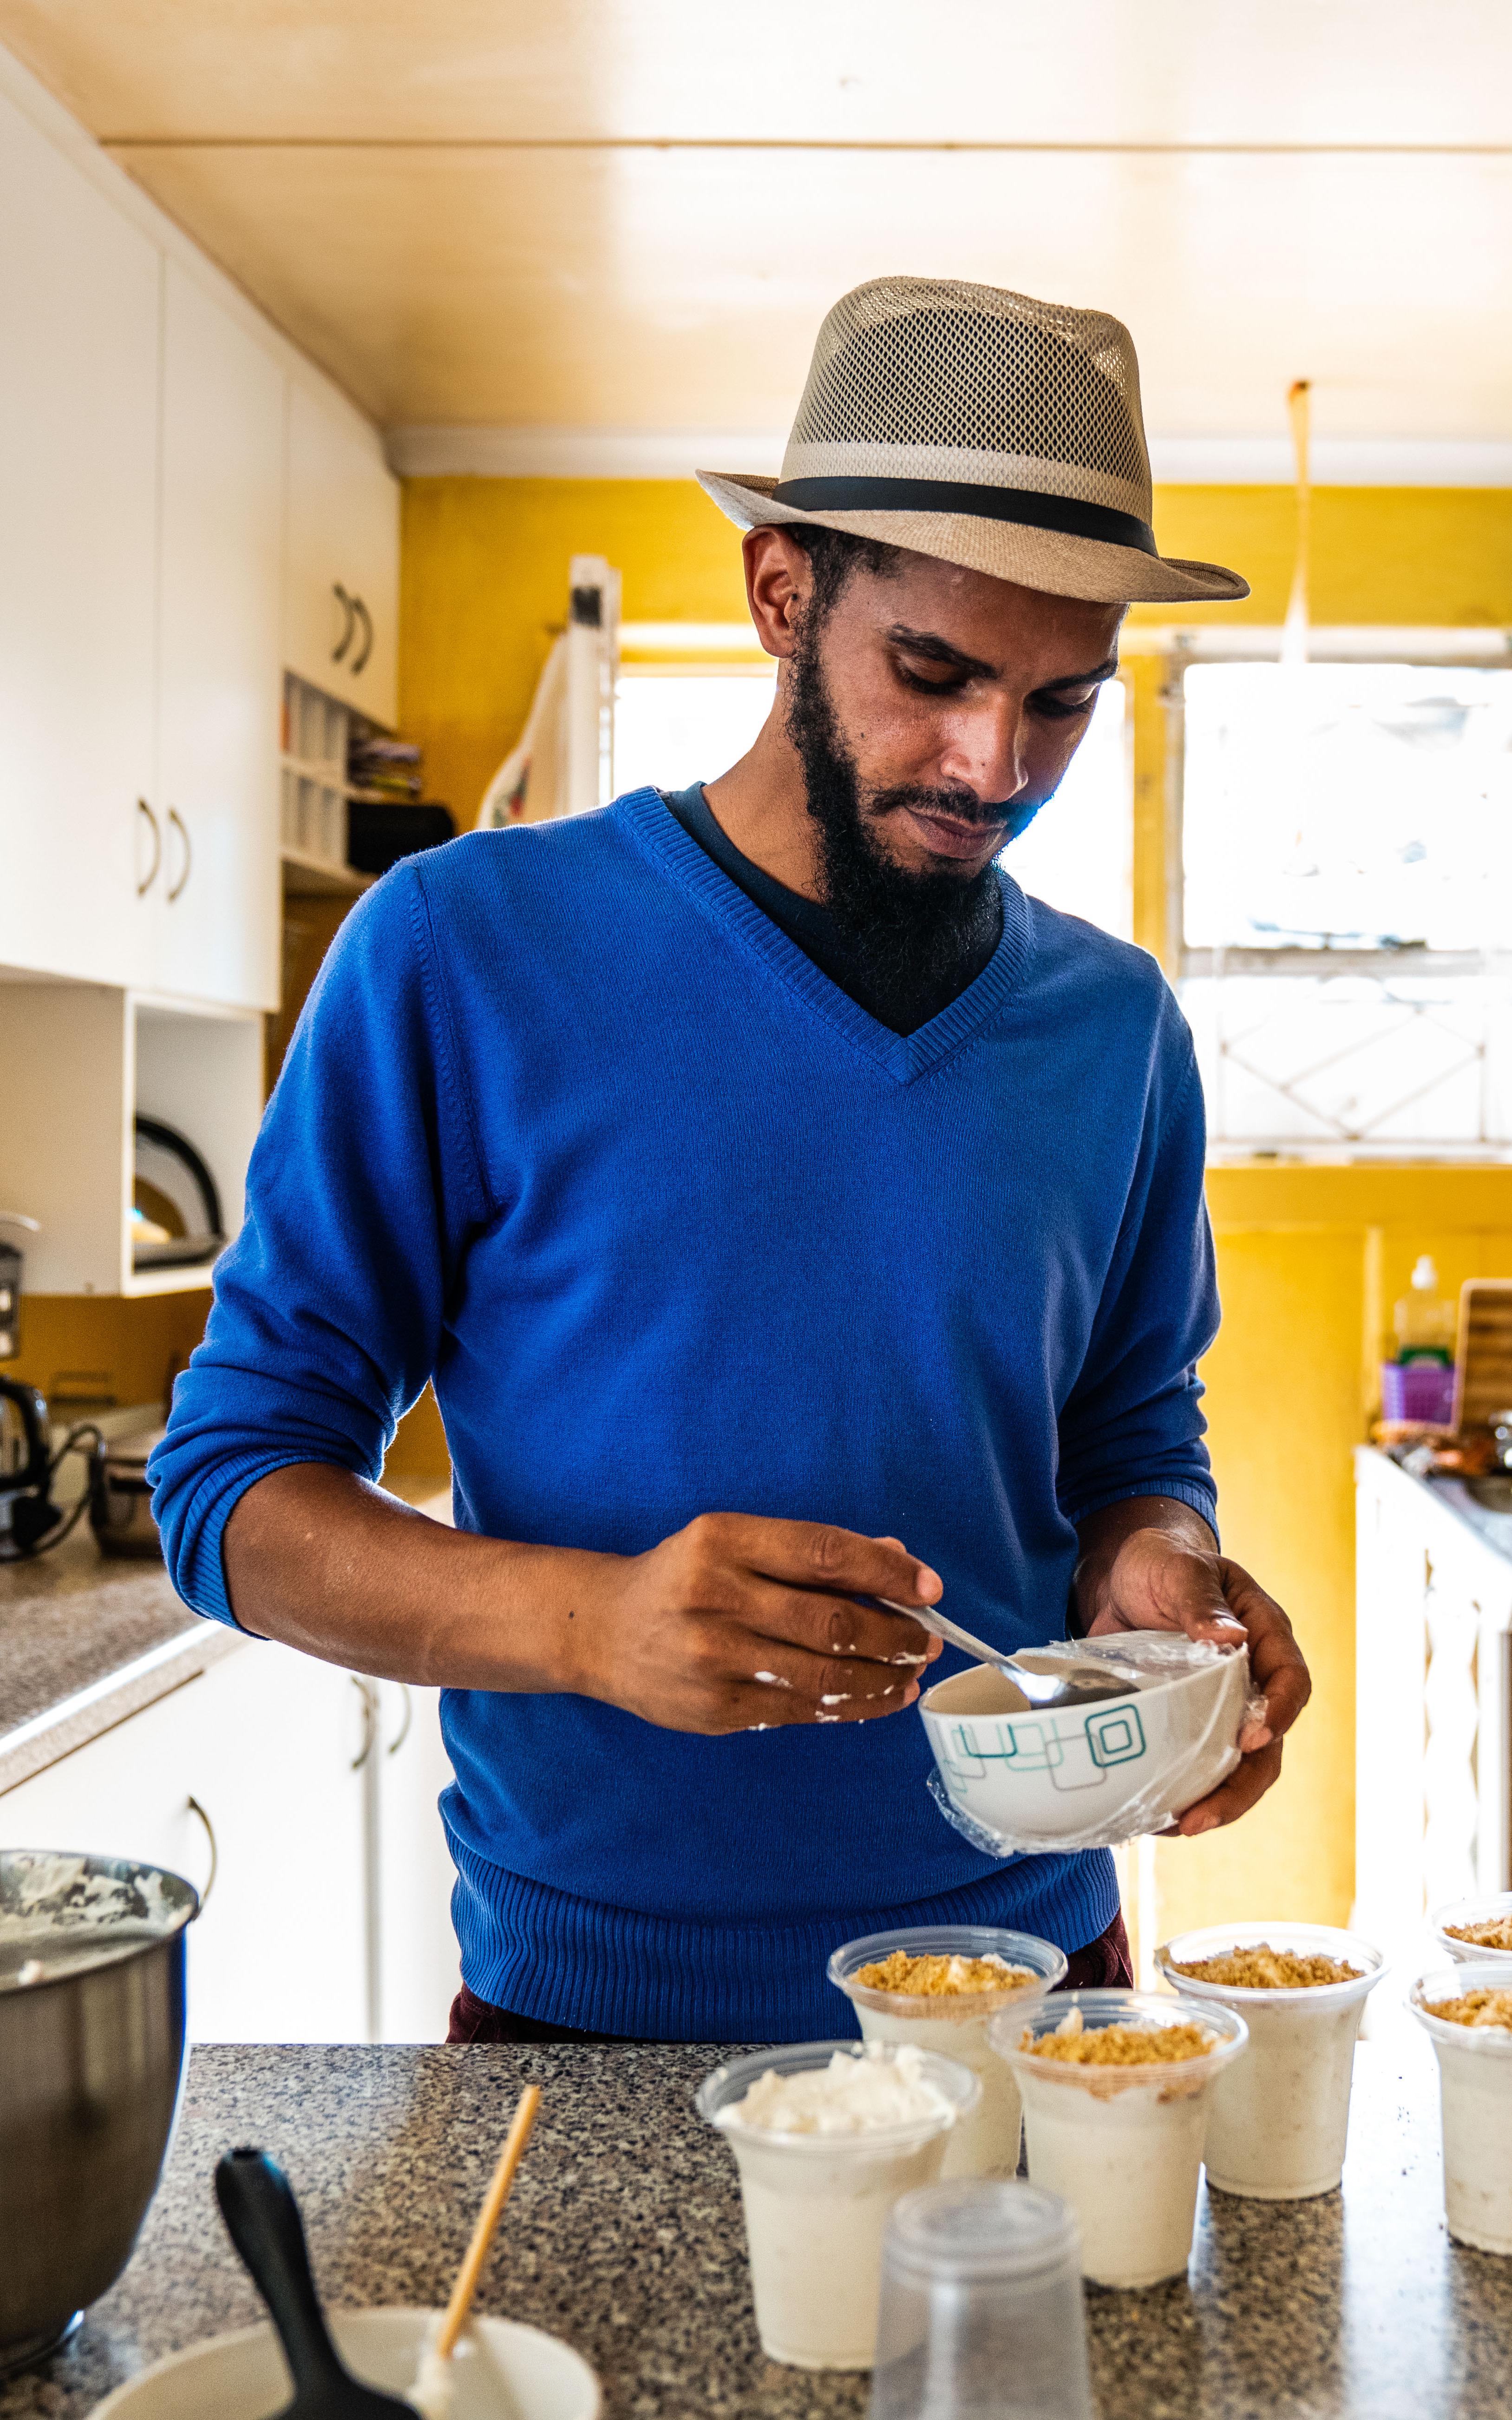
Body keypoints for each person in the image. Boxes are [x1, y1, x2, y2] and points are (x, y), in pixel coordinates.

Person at [150, 276, 1309, 2044]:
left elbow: (1131, 1437)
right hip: (595, 2016)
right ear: (782, 593)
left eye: (1065, 703)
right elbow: (231, 1491)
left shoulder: (1116, 1027)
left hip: (1034, 1987)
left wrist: (1155, 1565)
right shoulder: (463, 952)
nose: (995, 765)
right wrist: (588, 1623)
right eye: (935, 673)